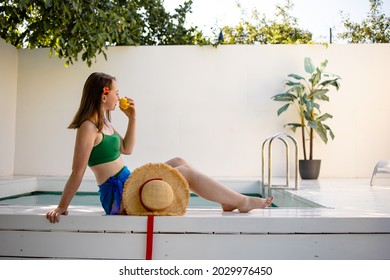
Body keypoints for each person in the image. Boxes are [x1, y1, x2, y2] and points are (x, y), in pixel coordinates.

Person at [46, 72, 273, 223]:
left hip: (128, 183)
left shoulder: (105, 122)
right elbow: (77, 171)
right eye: (116, 92)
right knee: (182, 173)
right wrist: (61, 206)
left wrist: (133, 118)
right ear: (104, 93)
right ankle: (241, 201)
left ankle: (227, 199)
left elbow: (126, 149)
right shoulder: (88, 126)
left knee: (178, 162)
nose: (119, 97)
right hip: (117, 197)